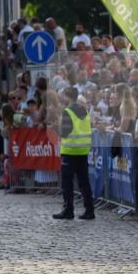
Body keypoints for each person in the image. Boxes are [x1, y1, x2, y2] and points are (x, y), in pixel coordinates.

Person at [52, 87, 95, 220]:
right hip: (83, 151)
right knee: (84, 182)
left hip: (70, 151)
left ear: (67, 96)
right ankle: (89, 210)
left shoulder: (67, 112)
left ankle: (68, 210)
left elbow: (64, 132)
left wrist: (55, 127)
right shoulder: (84, 110)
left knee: (67, 183)